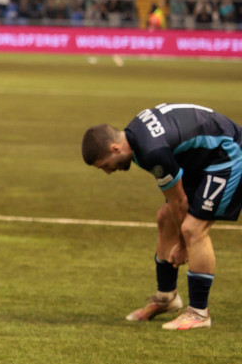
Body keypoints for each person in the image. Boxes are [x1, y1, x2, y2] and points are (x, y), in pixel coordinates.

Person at [82, 103, 242, 331]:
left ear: (115, 148)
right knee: (165, 217)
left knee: (192, 230)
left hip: (227, 155)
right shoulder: (134, 139)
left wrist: (183, 245)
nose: (108, 172)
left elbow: (180, 202)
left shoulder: (150, 152)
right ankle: (166, 298)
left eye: (105, 166)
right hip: (201, 158)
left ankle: (199, 312)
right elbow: (174, 200)